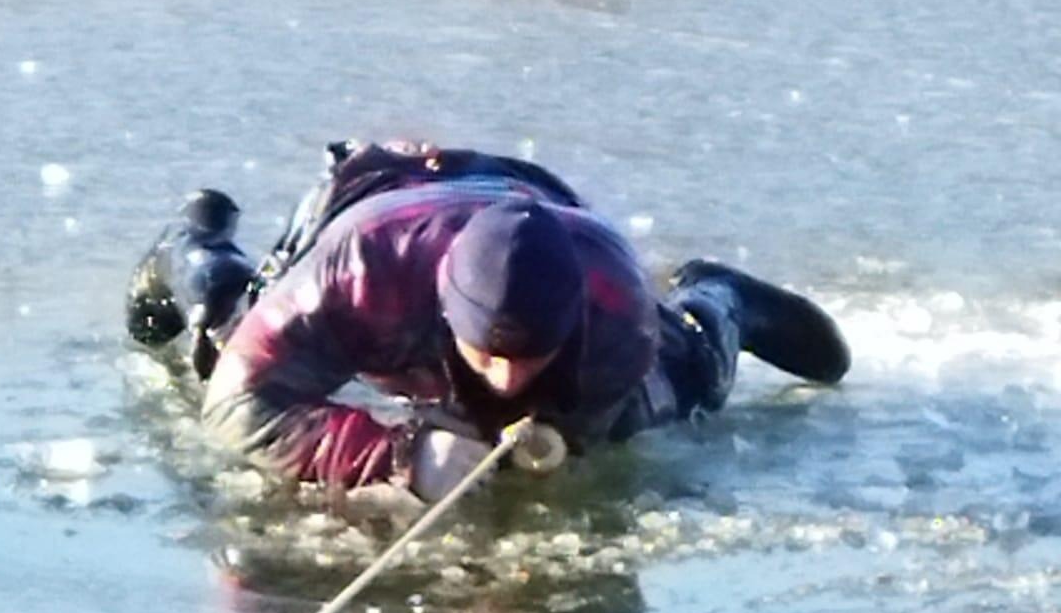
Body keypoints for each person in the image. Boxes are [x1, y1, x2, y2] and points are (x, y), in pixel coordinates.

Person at [127, 139, 850, 500]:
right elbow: (239, 406)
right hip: (376, 195)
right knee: (222, 341)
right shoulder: (362, 277)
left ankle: (721, 293)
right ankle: (197, 239)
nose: (507, 378)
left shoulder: (615, 313)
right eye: (487, 354)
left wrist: (552, 439)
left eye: (529, 355)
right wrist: (399, 455)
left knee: (690, 382)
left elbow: (580, 434)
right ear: (445, 316)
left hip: (545, 210)